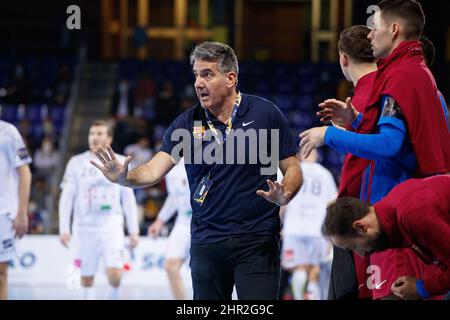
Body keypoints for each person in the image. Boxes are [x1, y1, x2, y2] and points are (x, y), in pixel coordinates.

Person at [91, 41, 302, 300]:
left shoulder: (266, 114)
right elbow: (152, 171)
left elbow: (292, 166)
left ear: (230, 78)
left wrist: (286, 193)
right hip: (206, 242)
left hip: (257, 240)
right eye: (196, 75)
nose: (198, 83)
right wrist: (125, 178)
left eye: (207, 74)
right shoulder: (185, 124)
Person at [300, 0, 450, 299]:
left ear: (394, 30)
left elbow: (390, 146)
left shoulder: (403, 76)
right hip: (403, 210)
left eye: (375, 27)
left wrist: (330, 135)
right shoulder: (408, 73)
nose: (370, 35)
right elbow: (406, 143)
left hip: (400, 214)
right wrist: (356, 123)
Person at [315, 25, 378, 300]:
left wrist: (329, 135)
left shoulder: (369, 94)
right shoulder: (386, 88)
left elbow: (385, 146)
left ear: (343, 58)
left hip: (361, 213)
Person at [322, 175, 450, 300]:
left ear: (361, 226)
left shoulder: (412, 214)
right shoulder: (396, 209)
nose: (362, 255)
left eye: (354, 247)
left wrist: (422, 288)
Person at [59, 120, 140, 300]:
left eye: (99, 134)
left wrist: (133, 230)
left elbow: (128, 199)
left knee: (115, 276)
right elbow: (67, 198)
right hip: (83, 229)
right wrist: (64, 228)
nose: (94, 137)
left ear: (109, 138)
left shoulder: (121, 161)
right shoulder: (76, 162)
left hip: (111, 227)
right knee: (85, 279)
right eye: (91, 134)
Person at [281, 149, 337, 300]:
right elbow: (333, 202)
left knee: (298, 268)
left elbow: (283, 201)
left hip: (294, 228)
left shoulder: (293, 172)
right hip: (316, 229)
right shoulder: (325, 174)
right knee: (315, 269)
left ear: (299, 156)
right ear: (317, 156)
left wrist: (280, 224)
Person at [148, 159, 191, 300]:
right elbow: (174, 197)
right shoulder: (168, 164)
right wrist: (159, 221)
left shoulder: (202, 156)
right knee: (170, 266)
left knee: (208, 271)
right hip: (183, 222)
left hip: (205, 222)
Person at [0, 120, 32, 300]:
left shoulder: (8, 132)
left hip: (3, 213)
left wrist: (21, 212)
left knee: (1, 275)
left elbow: (24, 172)